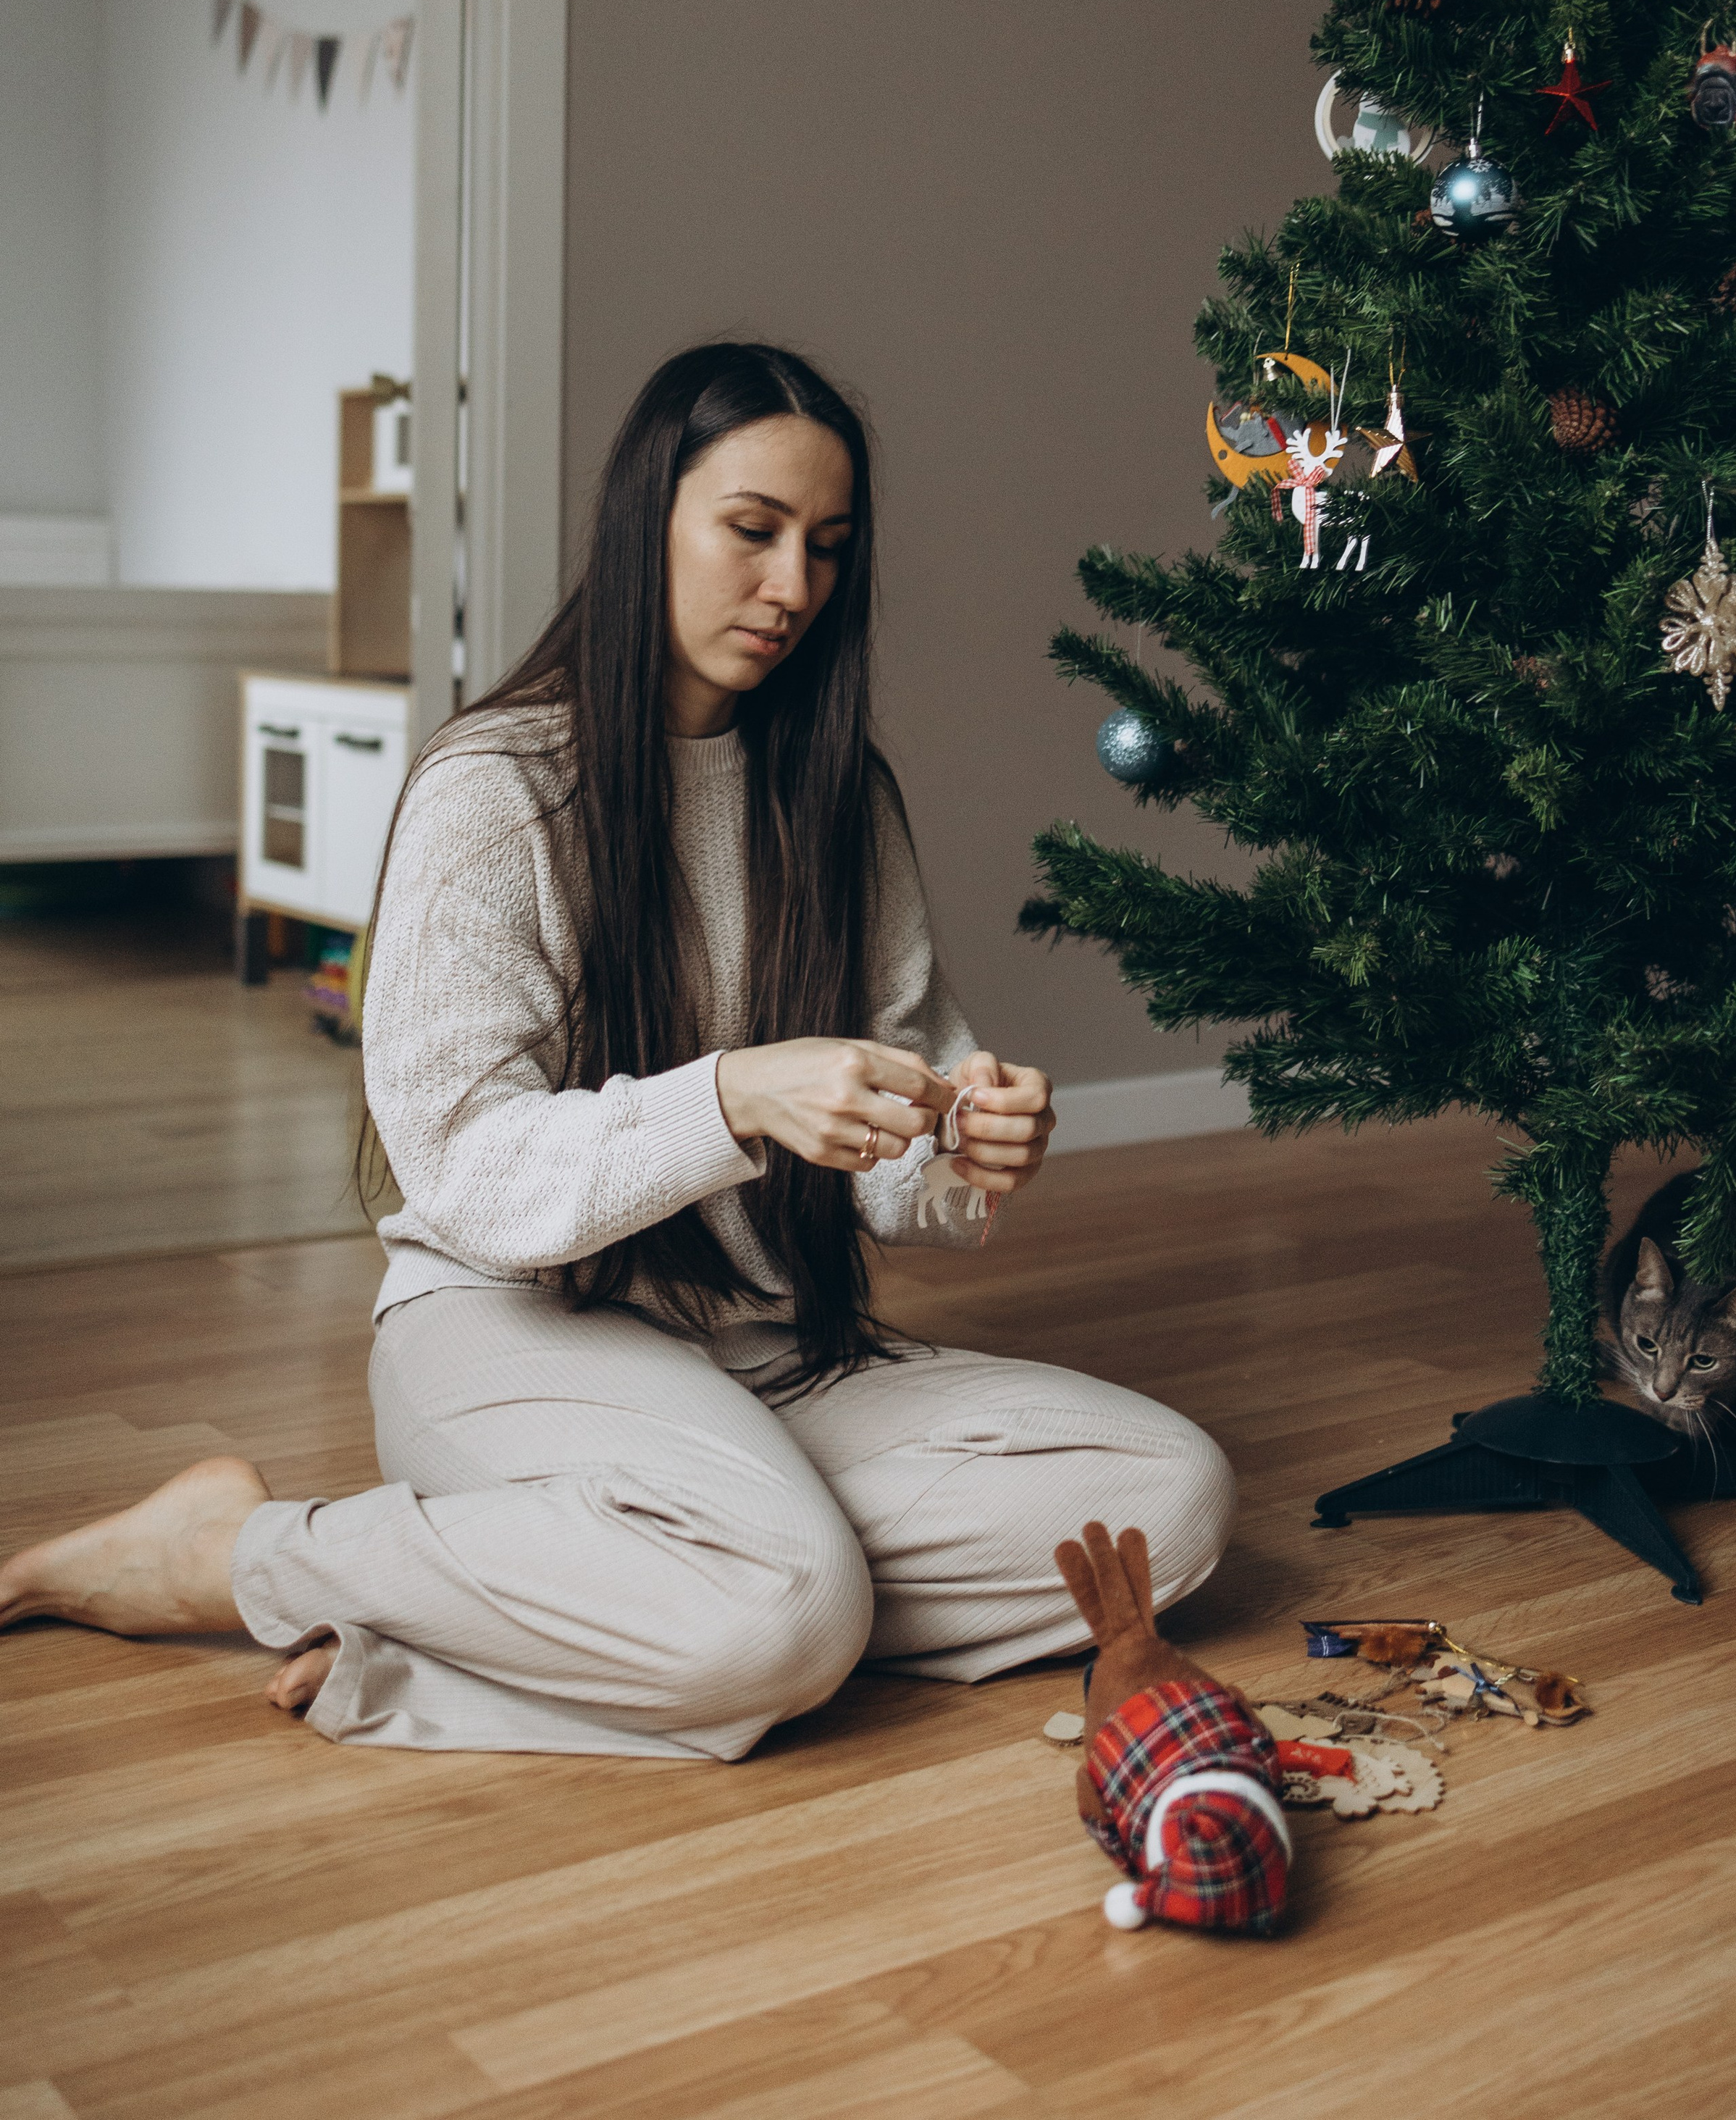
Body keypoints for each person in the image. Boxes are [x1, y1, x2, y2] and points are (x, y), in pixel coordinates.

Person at [0, 343, 1238, 1757]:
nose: (792, 587)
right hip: (512, 1329)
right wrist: (732, 1098)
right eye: (752, 529)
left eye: (828, 547)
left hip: (760, 1347)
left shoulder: (837, 797)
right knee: (786, 1607)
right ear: (647, 516)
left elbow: (896, 1142)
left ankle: (599, 1594)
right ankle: (242, 1555)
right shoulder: (496, 792)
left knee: (1166, 1500)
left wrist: (961, 1138)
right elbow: (465, 1174)